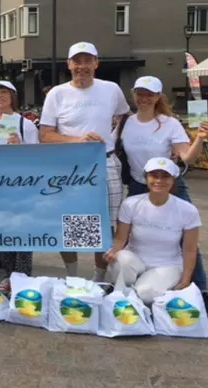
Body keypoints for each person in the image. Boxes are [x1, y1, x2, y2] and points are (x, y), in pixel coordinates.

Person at [116, 75, 208, 316]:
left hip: (170, 185)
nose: (144, 98)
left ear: (158, 97)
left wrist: (200, 140)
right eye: (140, 93)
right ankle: (139, 282)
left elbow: (187, 157)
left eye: (149, 94)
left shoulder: (169, 123)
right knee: (135, 237)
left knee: (186, 237)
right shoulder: (125, 123)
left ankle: (200, 291)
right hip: (138, 185)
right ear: (133, 94)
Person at [39, 42, 130, 282]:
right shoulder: (57, 94)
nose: (82, 66)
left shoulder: (111, 89)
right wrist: (78, 140)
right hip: (70, 168)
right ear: (69, 65)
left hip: (105, 163)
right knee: (72, 222)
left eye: (87, 60)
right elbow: (45, 135)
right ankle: (74, 278)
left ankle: (99, 280)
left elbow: (124, 116)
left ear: (96, 63)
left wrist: (113, 138)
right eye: (77, 61)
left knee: (104, 224)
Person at [104, 157, 201, 305]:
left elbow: (189, 249)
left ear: (173, 179)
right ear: (145, 178)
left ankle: (125, 294)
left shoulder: (187, 210)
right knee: (121, 259)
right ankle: (124, 291)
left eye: (165, 176)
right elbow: (120, 238)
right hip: (136, 260)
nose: (159, 181)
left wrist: (186, 280)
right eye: (154, 176)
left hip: (167, 265)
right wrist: (113, 251)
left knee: (146, 293)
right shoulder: (130, 204)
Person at [0, 80, 39, 292]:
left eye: (4, 92)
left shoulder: (26, 124)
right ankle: (8, 275)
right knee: (4, 231)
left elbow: (37, 156)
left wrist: (20, 147)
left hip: (20, 187)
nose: (0, 96)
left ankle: (22, 276)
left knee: (23, 229)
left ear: (13, 96)